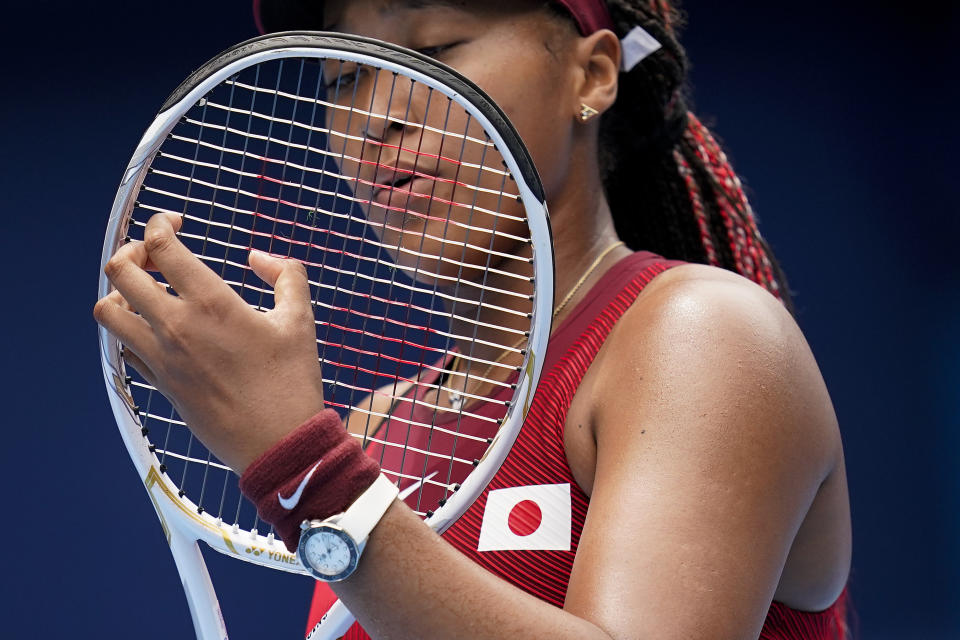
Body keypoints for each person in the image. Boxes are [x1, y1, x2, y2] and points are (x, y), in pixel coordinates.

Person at [94, 0, 852, 638]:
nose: (378, 116)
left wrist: (306, 470)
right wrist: (320, 470)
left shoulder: (704, 336)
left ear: (590, 74)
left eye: (436, 48)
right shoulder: (371, 432)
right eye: (345, 76)